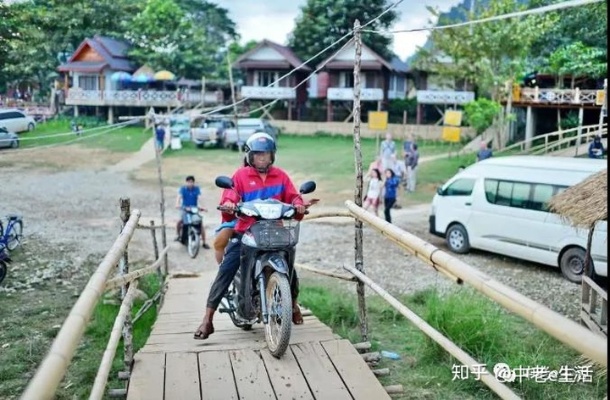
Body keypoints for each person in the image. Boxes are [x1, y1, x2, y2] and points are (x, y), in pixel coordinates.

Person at [194, 133, 307, 340]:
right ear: (250, 156)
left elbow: (293, 196)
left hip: (274, 232)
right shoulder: (240, 176)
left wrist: (299, 203)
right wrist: (229, 203)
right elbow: (230, 196)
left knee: (291, 267)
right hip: (246, 231)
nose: (263, 158)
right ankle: (207, 319)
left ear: (272, 155)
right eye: (258, 154)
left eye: (266, 154)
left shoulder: (281, 176)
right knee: (227, 269)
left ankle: (292, 305)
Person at [175, 175, 210, 249]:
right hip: (185, 208)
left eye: (191, 182)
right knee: (179, 221)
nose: (190, 183)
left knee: (200, 224)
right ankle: (178, 235)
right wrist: (177, 204)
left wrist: (203, 207)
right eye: (188, 182)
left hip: (194, 208)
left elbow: (199, 198)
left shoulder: (196, 189)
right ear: (186, 182)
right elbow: (179, 197)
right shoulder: (183, 189)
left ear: (194, 183)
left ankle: (204, 242)